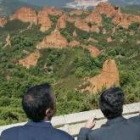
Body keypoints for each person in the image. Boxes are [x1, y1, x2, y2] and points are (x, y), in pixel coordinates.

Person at [1, 83, 74, 140]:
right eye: (55, 101)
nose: (56, 102)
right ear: (48, 112)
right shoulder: (64, 138)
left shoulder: (7, 135)